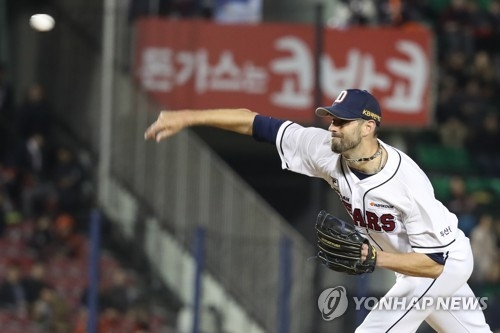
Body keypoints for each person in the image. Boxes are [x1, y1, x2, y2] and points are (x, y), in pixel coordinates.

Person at [144, 89, 491, 332]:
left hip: (441, 263)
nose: (332, 126)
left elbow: (434, 263)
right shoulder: (323, 149)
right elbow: (254, 123)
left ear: (368, 127)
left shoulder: (408, 184)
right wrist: (187, 117)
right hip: (408, 265)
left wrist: (374, 259)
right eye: (331, 119)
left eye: (342, 121)